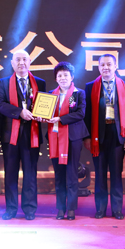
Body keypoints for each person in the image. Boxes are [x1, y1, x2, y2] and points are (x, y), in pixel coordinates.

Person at [0, 50, 46, 220]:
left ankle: (30, 209)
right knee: (10, 173)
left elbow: (44, 105)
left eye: (24, 59)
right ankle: (10, 209)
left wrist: (43, 115)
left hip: (32, 134)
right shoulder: (3, 83)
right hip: (10, 135)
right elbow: (0, 104)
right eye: (18, 60)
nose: (21, 63)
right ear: (12, 63)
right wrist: (19, 112)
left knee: (30, 173)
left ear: (30, 61)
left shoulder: (40, 83)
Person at [84, 54, 125, 220]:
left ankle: (117, 209)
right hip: (97, 135)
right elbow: (87, 113)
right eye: (102, 65)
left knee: (116, 173)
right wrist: (87, 137)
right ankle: (100, 209)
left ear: (115, 66)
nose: (106, 67)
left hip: (118, 134)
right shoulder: (91, 86)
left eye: (109, 64)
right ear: (99, 67)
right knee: (100, 173)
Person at [44, 62, 89, 220]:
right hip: (55, 138)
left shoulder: (79, 93)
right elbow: (44, 113)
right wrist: (41, 117)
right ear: (56, 78)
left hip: (73, 138)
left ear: (72, 77)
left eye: (65, 75)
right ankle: (60, 208)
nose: (63, 78)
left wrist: (60, 119)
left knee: (71, 174)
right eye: (59, 75)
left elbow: (80, 113)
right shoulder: (50, 95)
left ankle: (71, 209)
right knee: (59, 175)